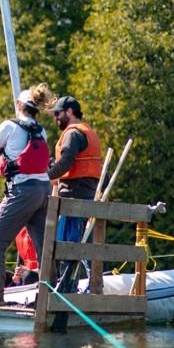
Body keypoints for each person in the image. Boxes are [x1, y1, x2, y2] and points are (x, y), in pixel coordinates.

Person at [0, 84, 54, 305]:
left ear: (19, 105)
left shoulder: (9, 125)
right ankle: (51, 294)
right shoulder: (41, 131)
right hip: (44, 190)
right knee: (42, 245)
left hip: (22, 190)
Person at [47, 95, 104, 289]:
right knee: (83, 239)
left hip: (74, 193)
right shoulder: (88, 131)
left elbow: (66, 162)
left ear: (69, 112)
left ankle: (69, 285)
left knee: (70, 241)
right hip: (85, 192)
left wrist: (44, 176)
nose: (56, 118)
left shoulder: (73, 133)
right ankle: (91, 284)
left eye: (58, 113)